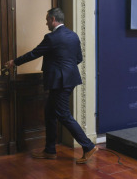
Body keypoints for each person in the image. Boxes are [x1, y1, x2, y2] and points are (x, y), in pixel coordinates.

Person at [5, 8, 98, 164]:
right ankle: (50, 150)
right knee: (50, 113)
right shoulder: (73, 36)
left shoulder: (51, 38)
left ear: (53, 19)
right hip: (69, 80)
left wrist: (14, 62)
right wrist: (64, 69)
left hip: (59, 82)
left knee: (63, 115)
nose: (46, 22)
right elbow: (78, 58)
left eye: (47, 19)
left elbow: (33, 53)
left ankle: (88, 146)